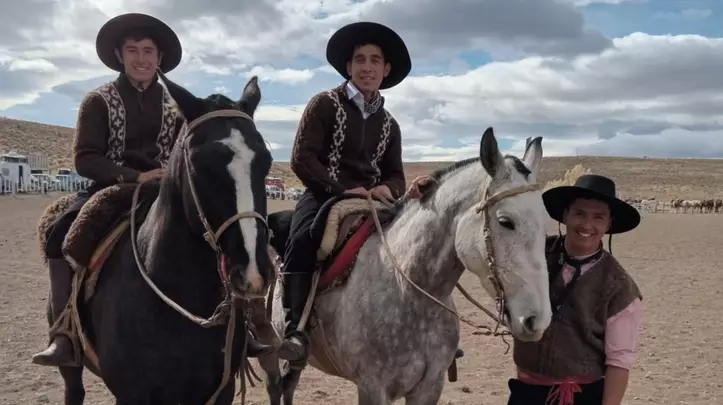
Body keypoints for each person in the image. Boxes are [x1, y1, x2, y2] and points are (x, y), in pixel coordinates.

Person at [31, 12, 186, 367]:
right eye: (133, 50)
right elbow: (85, 158)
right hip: (109, 189)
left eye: (148, 51)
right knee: (59, 234)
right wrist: (135, 176)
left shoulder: (176, 108)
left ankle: (240, 324)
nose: (141, 58)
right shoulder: (98, 100)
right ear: (119, 55)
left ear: (160, 58)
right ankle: (64, 333)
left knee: (213, 231)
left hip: (164, 191)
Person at [279, 21, 411, 369]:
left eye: (375, 60)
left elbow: (396, 174)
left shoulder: (390, 124)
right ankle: (295, 329)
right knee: (302, 240)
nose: (367, 67)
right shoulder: (324, 104)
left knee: (418, 239)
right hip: (323, 195)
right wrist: (341, 189)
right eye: (360, 60)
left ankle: (423, 327)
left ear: (386, 69)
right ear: (349, 66)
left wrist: (388, 188)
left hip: (374, 201)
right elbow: (302, 158)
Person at [507, 174, 644, 405]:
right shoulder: (533, 255)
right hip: (524, 393)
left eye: (598, 217)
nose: (587, 225)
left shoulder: (620, 287)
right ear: (565, 215)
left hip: (580, 398)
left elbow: (619, 361)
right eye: (579, 213)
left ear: (608, 224)